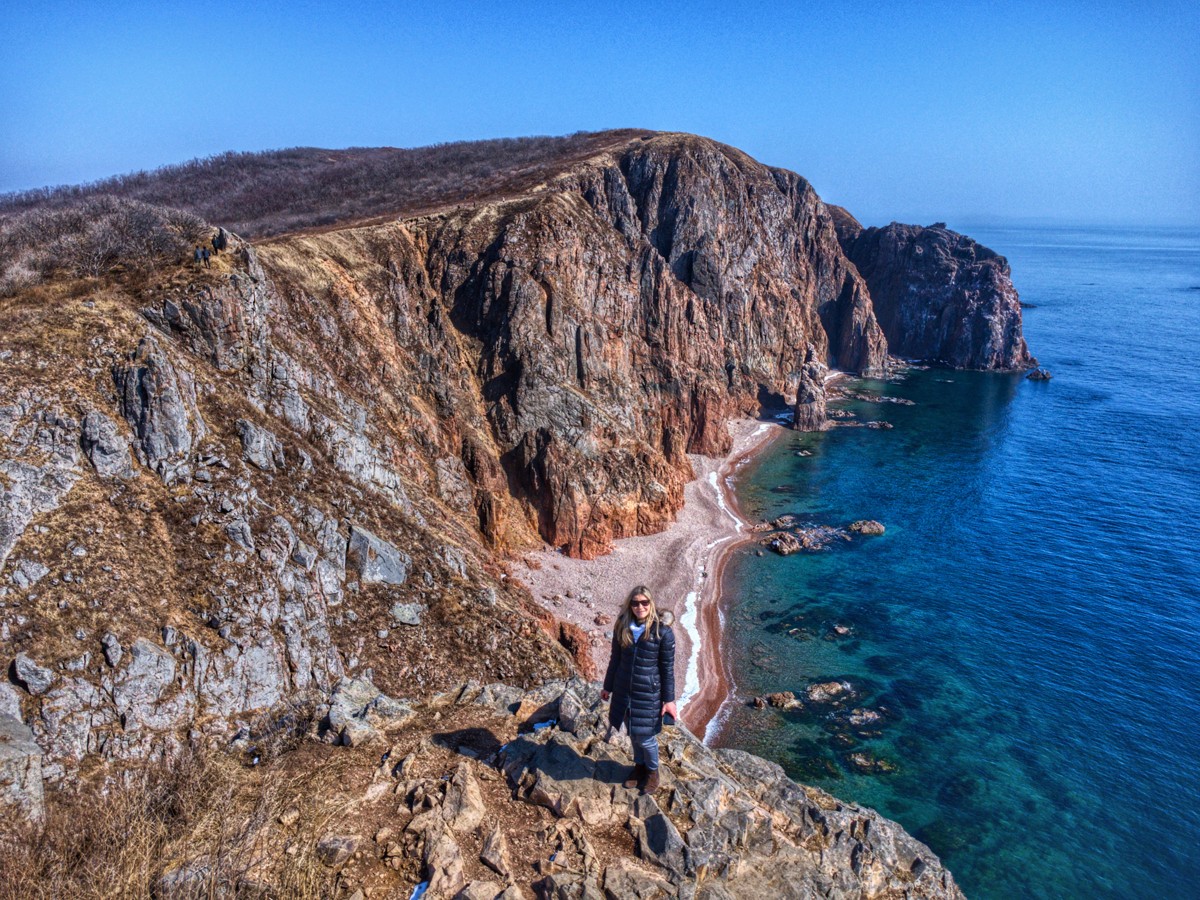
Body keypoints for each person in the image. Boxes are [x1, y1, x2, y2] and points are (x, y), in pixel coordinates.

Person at [601, 585, 677, 794]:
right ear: (630, 605)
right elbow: (615, 660)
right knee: (633, 734)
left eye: (644, 603)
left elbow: (667, 669)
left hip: (649, 694)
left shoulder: (663, 632)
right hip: (624, 690)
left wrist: (669, 701)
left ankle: (652, 772)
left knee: (646, 737)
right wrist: (607, 687)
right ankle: (639, 767)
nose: (640, 607)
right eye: (635, 603)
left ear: (651, 604)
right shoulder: (622, 627)